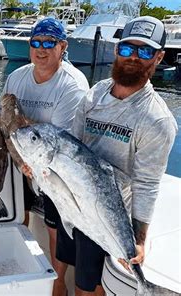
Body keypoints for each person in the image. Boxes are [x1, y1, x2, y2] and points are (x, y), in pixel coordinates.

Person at [65, 16, 177, 296]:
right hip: (73, 201)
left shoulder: (157, 119)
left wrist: (139, 238)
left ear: (159, 57)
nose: (134, 58)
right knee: (66, 269)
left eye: (145, 51)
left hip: (109, 216)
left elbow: (147, 183)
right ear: (116, 50)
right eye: (127, 49)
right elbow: (71, 145)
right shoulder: (96, 93)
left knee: (87, 289)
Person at [0, 17, 89, 296]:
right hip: (18, 156)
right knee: (16, 216)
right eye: (36, 42)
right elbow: (1, 115)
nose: (41, 49)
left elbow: (59, 139)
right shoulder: (17, 76)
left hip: (54, 166)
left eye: (49, 43)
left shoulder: (72, 84)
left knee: (54, 229)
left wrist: (17, 119)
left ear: (63, 47)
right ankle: (20, 272)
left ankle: (57, 285)